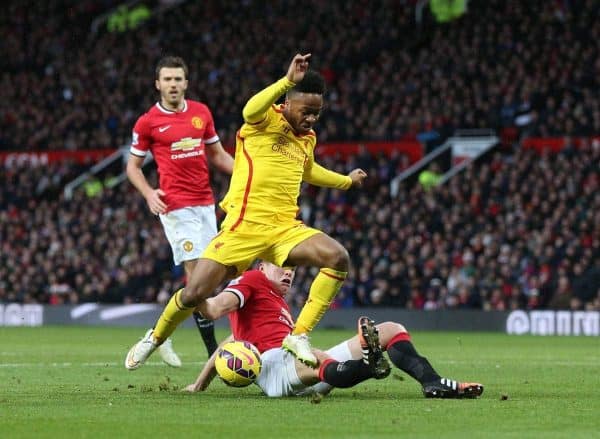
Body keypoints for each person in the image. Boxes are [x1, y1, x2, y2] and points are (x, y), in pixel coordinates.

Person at [125, 53, 367, 370]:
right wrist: (285, 82)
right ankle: (154, 338)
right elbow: (249, 109)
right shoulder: (264, 121)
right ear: (287, 103)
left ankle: (299, 335)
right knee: (195, 292)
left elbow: (309, 171)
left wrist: (346, 182)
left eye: (317, 114)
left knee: (338, 257)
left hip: (284, 229)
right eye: (306, 111)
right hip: (243, 227)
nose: (310, 119)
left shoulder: (307, 138)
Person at [185, 262, 484, 399]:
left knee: (391, 330)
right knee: (312, 355)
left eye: (293, 269)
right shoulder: (252, 280)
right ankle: (367, 364)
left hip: (304, 367)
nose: (289, 272)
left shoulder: (277, 306)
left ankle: (432, 383)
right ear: (262, 267)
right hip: (275, 368)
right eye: (282, 266)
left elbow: (228, 343)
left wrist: (199, 385)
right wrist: (194, 296)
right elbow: (215, 309)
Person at [127, 55, 234, 366]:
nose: (173, 84)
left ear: (186, 83)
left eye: (178, 79)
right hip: (175, 208)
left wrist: (247, 173)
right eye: (167, 80)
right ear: (157, 84)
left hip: (205, 205)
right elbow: (132, 166)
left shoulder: (201, 113)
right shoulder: (148, 121)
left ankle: (162, 331)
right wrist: (148, 193)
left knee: (208, 279)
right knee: (198, 275)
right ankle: (214, 353)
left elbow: (218, 156)